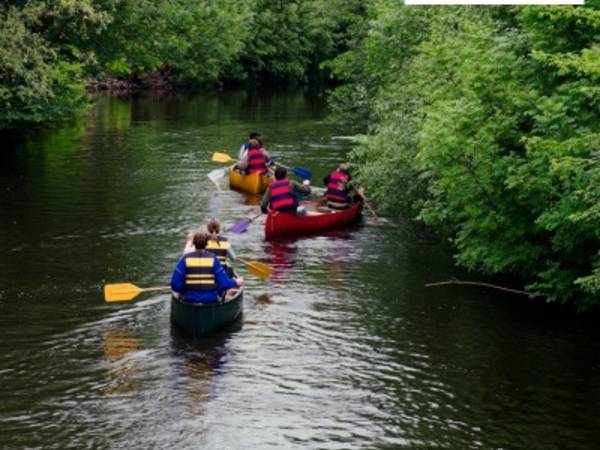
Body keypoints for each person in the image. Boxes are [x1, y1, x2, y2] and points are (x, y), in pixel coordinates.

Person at [171, 231, 243, 304]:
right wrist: (236, 282)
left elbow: (175, 284)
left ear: (193, 243)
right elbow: (224, 284)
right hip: (210, 300)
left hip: (189, 299)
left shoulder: (184, 259)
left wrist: (185, 291)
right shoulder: (213, 259)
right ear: (207, 244)